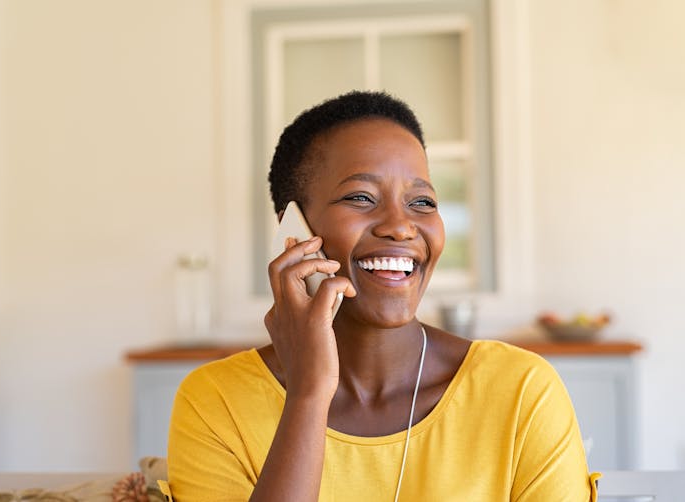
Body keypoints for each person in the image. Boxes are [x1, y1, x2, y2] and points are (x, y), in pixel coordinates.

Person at [166, 91, 597, 501]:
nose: (401, 226)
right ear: (295, 230)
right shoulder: (214, 402)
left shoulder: (521, 390)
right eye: (361, 197)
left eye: (422, 203)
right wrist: (309, 394)